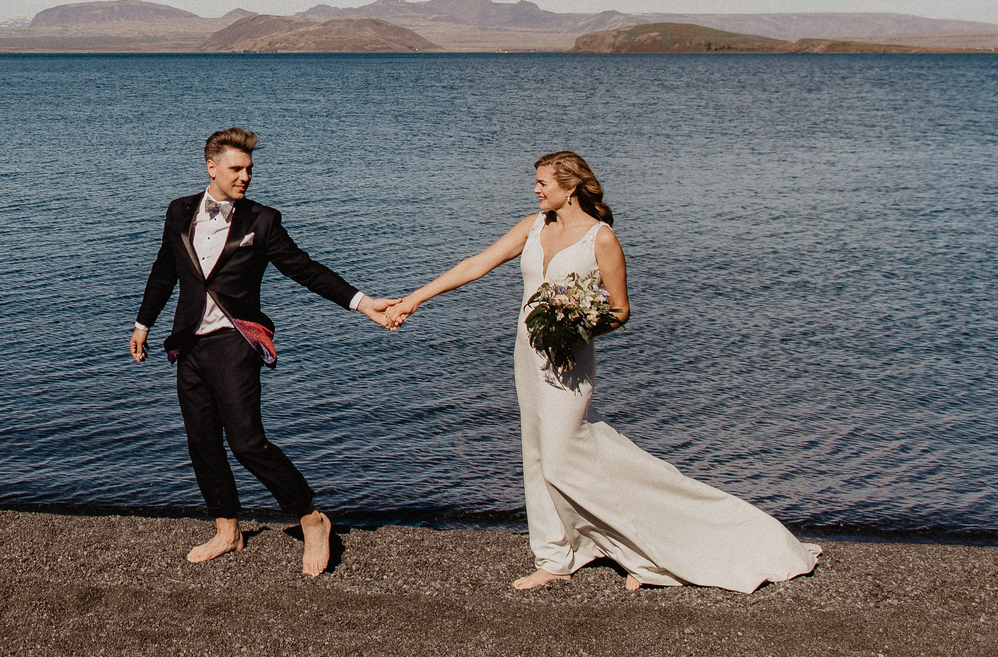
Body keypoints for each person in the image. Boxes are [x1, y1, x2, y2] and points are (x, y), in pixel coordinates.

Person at [383, 150, 819, 594]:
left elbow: (620, 310)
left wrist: (577, 328)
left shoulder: (600, 238)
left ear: (570, 187)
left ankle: (645, 548)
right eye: (535, 182)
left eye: (543, 183)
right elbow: (476, 264)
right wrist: (416, 298)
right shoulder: (533, 226)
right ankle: (554, 557)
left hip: (569, 360)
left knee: (562, 457)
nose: (535, 189)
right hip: (526, 355)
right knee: (536, 454)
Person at [131, 127, 397, 577]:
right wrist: (143, 323)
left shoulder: (262, 220)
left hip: (236, 342)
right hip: (189, 343)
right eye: (236, 168)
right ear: (211, 167)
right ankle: (227, 529)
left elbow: (303, 269)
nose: (246, 177)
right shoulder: (179, 211)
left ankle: (311, 518)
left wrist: (362, 302)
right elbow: (165, 269)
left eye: (250, 169)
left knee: (248, 442)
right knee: (202, 442)